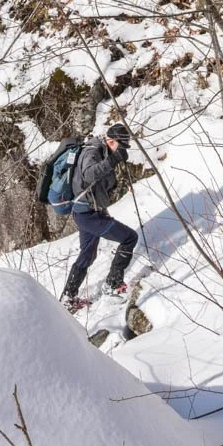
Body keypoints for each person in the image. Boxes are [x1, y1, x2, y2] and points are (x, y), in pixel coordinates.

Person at [55, 122, 139, 310]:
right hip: (88, 215)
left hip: (87, 212)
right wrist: (115, 159)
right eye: (121, 146)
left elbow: (103, 183)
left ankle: (68, 299)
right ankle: (112, 284)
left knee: (87, 255)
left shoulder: (103, 152)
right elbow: (89, 175)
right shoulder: (92, 151)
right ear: (110, 141)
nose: (123, 150)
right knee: (129, 238)